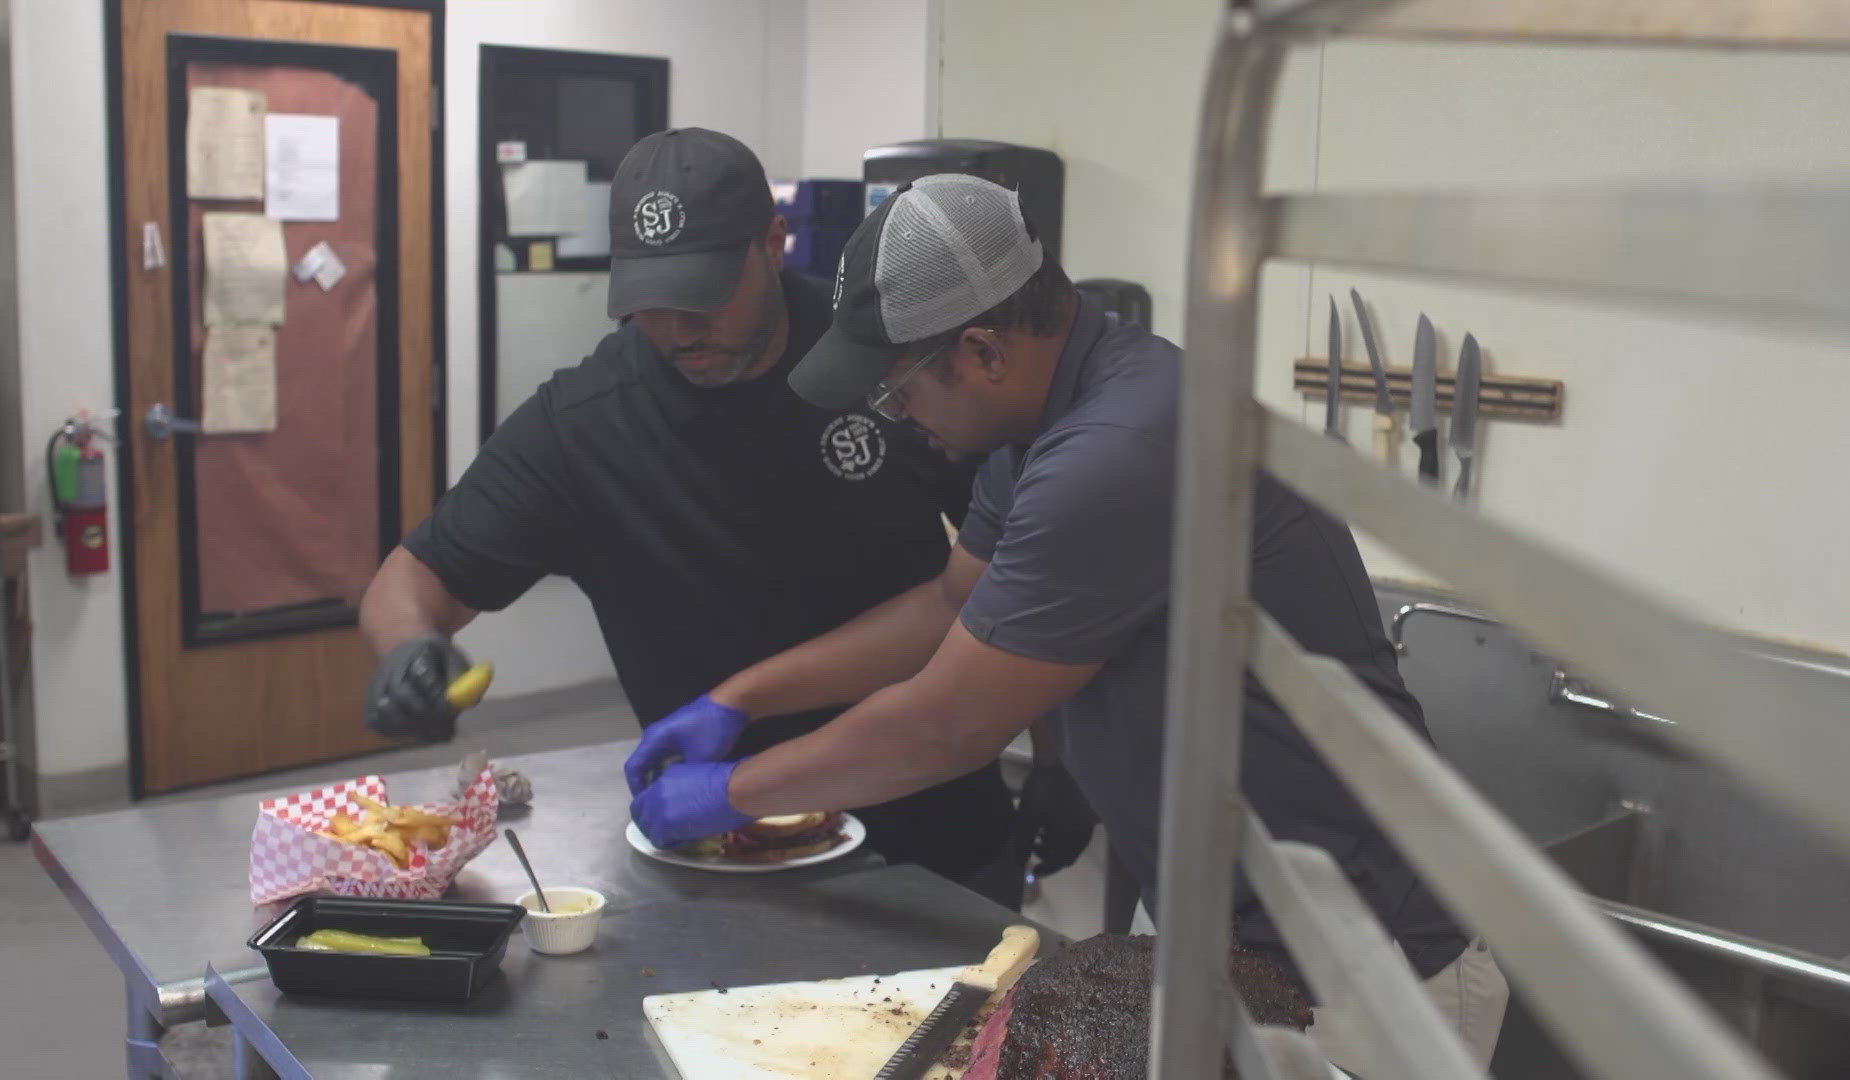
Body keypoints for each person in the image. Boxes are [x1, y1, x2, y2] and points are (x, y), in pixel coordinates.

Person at [628, 173, 1509, 1067]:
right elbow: (950, 603)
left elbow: (948, 727)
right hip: (1258, 939)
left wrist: (731, 794)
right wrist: (740, 699)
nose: (903, 419)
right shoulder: (1041, 429)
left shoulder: (1118, 449)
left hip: (1379, 959)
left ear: (982, 351)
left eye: (898, 392)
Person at [358, 130, 1036, 907]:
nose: (679, 329)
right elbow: (413, 578)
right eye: (648, 304)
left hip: (938, 830)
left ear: (772, 243)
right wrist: (408, 649)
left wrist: (1058, 758)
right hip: (714, 854)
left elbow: (1018, 573)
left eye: (704, 294)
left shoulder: (889, 358)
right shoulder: (583, 425)